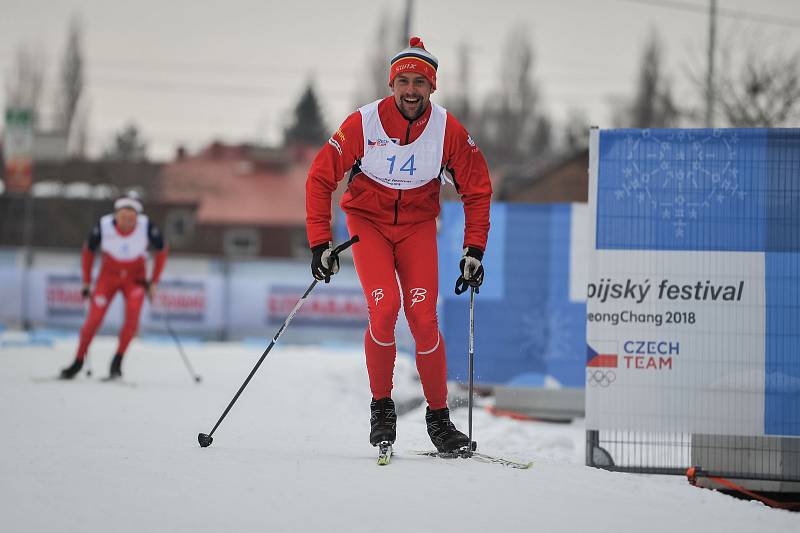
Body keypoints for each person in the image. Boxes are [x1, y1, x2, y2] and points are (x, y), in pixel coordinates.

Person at [305, 37, 492, 452]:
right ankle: (381, 407)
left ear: (432, 88)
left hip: (417, 227)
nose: (411, 91)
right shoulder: (362, 123)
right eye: (403, 82)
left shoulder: (448, 130)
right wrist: (320, 242)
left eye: (419, 83)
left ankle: (439, 420)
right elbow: (320, 178)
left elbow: (477, 189)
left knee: (424, 317)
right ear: (392, 85)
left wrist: (473, 249)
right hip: (367, 223)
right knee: (385, 306)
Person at [59, 195, 168, 380]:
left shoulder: (147, 226)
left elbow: (162, 250)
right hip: (108, 277)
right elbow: (88, 252)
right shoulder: (103, 226)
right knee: (94, 320)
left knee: (132, 320)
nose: (128, 222)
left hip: (135, 278)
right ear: (116, 216)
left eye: (132, 218)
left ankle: (117, 362)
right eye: (124, 217)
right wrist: (86, 282)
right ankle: (77, 361)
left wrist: (154, 281)